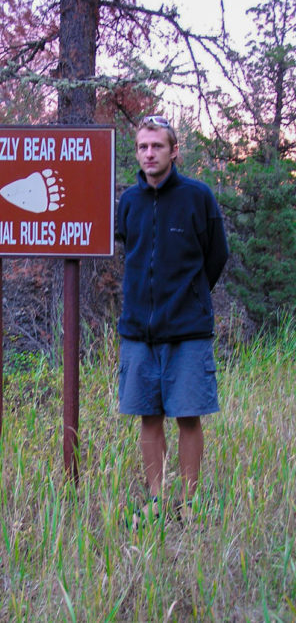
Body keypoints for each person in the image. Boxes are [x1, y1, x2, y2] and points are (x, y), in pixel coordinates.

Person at [116, 116, 228, 527]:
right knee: (148, 416)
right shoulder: (128, 202)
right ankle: (157, 500)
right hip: (138, 332)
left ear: (174, 151)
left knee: (188, 416)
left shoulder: (198, 197)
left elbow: (216, 256)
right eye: (143, 147)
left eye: (157, 147)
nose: (149, 154)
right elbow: (130, 250)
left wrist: (191, 297)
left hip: (188, 331)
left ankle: (191, 502)